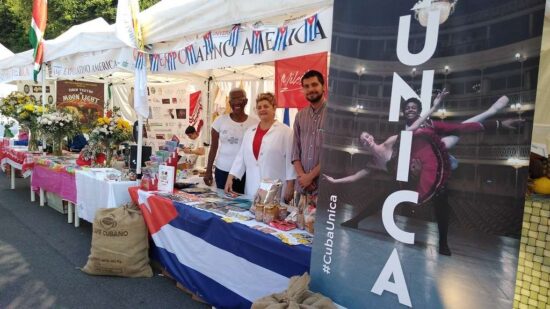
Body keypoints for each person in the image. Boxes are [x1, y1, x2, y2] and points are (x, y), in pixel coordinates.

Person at [325, 91, 523, 256]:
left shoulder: (405, 134)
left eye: (414, 108)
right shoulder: (381, 154)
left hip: (430, 168)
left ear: (420, 112)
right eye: (407, 108)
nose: (410, 110)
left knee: (451, 146)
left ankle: (443, 243)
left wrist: (494, 122)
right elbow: (357, 176)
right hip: (406, 178)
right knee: (381, 198)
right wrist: (335, 179)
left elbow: (459, 128)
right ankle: (355, 221)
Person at [225, 93, 296, 202]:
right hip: (252, 186)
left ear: (274, 108)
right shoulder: (250, 131)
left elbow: (290, 162)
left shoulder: (286, 132)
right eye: (259, 107)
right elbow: (241, 157)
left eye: (266, 106)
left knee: (272, 215)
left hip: (274, 187)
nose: (262, 109)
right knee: (252, 214)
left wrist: (290, 186)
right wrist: (231, 177)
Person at [204, 88, 259, 193]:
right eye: (233, 99)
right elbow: (213, 147)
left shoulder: (255, 123)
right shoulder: (219, 121)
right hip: (222, 170)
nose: (236, 102)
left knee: (243, 204)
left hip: (245, 172)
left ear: (246, 101)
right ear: (229, 102)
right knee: (222, 203)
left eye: (240, 99)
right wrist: (208, 170)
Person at [292, 70, 327, 195]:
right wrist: (303, 177)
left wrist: (310, 177)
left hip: (325, 190)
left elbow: (334, 155)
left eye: (314, 84)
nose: (310, 89)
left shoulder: (334, 115)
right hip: (302, 189)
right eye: (306, 86)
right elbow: (295, 152)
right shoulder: (300, 116)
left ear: (323, 87)